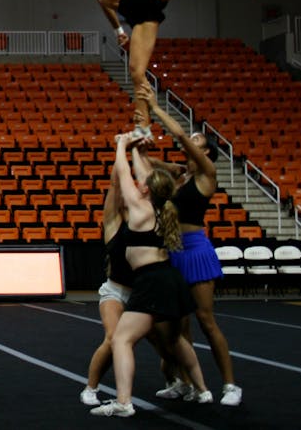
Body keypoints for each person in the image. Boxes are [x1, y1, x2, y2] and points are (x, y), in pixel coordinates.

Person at [68, 0, 294, 137]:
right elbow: (103, 3)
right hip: (138, 16)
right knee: (136, 72)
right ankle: (144, 128)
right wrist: (118, 30)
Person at [90, 133, 211, 418]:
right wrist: (137, 151)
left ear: (145, 190)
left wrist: (121, 145)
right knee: (176, 339)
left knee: (121, 340)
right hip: (170, 279)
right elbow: (146, 176)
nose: (137, 182)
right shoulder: (162, 206)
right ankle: (202, 389)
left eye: (140, 183)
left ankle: (123, 402)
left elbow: (121, 175)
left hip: (152, 281)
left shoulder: (141, 210)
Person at [137, 85, 242, 406]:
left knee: (206, 320)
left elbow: (181, 135)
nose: (192, 140)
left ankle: (229, 386)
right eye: (194, 138)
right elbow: (149, 160)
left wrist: (155, 107)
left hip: (196, 250)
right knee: (176, 326)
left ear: (206, 151)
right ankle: (187, 383)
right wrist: (139, 140)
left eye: (199, 140)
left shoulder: (207, 174)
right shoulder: (181, 175)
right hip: (174, 250)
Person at [80, 159, 134, 405]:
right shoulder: (113, 222)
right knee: (113, 338)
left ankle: (181, 382)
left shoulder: (144, 219)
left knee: (169, 341)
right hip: (115, 290)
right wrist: (121, 154)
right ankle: (90, 388)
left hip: (141, 293)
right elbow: (114, 185)